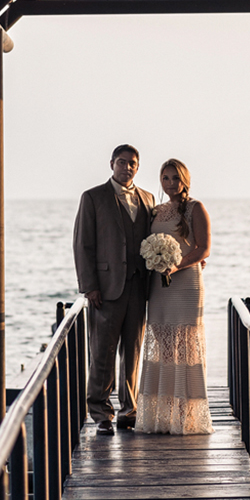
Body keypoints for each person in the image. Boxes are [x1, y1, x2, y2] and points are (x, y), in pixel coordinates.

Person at [73, 144, 155, 435]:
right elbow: (83, 245)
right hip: (105, 290)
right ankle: (100, 413)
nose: (127, 167)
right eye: (122, 162)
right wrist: (89, 286)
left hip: (138, 287)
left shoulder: (147, 198)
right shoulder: (93, 197)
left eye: (132, 163)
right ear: (111, 164)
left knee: (132, 353)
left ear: (137, 166)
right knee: (103, 353)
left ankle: (129, 410)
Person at [135, 159, 213, 435]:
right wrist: (156, 262)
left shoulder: (195, 208)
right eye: (165, 178)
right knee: (164, 346)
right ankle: (163, 415)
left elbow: (203, 249)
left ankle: (185, 416)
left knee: (186, 348)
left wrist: (176, 265)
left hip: (186, 285)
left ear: (184, 180)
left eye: (175, 179)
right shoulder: (157, 211)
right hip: (159, 287)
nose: (170, 184)